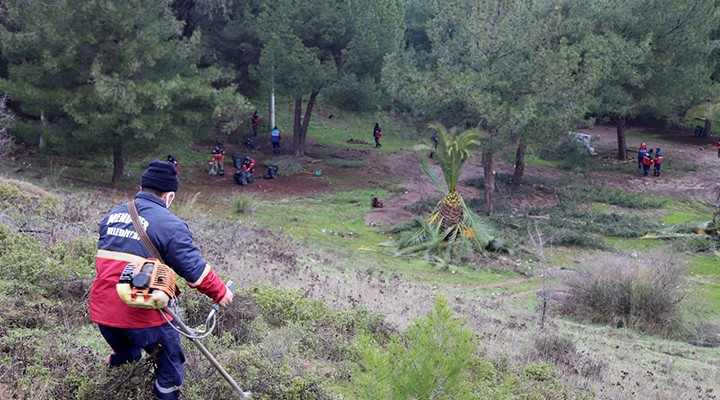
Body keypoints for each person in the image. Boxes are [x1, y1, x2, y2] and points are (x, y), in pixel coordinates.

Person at [89, 160, 234, 400]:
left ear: (140, 187)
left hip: (103, 312)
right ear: (170, 196)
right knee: (170, 364)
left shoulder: (112, 215)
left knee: (125, 356)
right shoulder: (170, 224)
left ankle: (106, 392)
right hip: (141, 315)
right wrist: (221, 293)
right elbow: (196, 273)